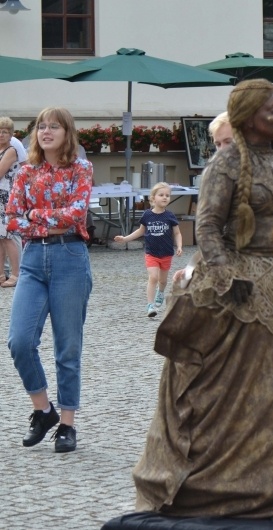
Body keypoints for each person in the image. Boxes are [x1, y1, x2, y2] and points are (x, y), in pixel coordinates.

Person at [132, 79, 273, 517]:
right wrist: (226, 277)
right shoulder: (228, 162)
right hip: (246, 287)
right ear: (248, 115)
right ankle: (233, 478)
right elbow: (207, 227)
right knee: (250, 390)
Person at [6, 107, 93, 453]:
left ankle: (68, 425)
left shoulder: (81, 169)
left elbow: (76, 215)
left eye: (53, 126)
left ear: (67, 132)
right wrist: (46, 220)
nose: (45, 131)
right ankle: (44, 410)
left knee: (67, 347)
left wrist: (34, 214)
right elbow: (12, 219)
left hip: (70, 258)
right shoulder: (26, 172)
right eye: (41, 126)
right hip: (31, 260)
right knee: (19, 341)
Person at [113, 182, 183, 317]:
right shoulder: (147, 215)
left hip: (166, 253)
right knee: (153, 277)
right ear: (153, 198)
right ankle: (150, 306)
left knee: (163, 280)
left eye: (167, 195)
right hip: (151, 253)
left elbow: (177, 233)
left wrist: (179, 246)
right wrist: (125, 239)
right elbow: (140, 231)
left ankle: (160, 292)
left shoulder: (170, 216)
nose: (165, 198)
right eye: (161, 195)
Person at [0, 117, 22, 287]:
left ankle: (15, 274)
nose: (1, 134)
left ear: (10, 135)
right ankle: (1, 274)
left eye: (5, 132)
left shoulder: (11, 151)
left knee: (7, 236)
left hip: (6, 197)